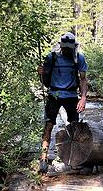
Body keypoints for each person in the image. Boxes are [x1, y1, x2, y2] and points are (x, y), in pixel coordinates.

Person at [37, 32, 88, 173]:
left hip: (71, 95)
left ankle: (74, 160)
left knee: (74, 128)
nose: (66, 50)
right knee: (48, 126)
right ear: (61, 45)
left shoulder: (79, 58)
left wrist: (83, 98)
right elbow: (44, 81)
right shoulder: (51, 57)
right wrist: (40, 73)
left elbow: (83, 79)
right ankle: (43, 159)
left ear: (73, 47)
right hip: (54, 95)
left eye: (68, 48)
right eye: (64, 47)